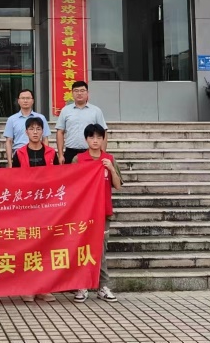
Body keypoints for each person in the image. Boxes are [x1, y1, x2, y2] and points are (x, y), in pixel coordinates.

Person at [11, 117, 58, 303]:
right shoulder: (19, 154)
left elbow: (59, 177)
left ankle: (44, 288)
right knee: (28, 247)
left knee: (46, 247)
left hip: (47, 207)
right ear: (26, 132)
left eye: (39, 128)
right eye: (32, 129)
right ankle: (28, 287)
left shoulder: (51, 153)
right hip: (26, 207)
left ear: (43, 131)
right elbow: (14, 179)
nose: (35, 132)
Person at [73, 124, 122, 304]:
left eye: (99, 137)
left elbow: (118, 185)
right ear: (86, 139)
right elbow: (72, 185)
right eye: (92, 137)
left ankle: (102, 286)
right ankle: (82, 285)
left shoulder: (109, 159)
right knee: (82, 248)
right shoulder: (78, 159)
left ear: (103, 140)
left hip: (103, 213)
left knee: (100, 250)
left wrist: (111, 169)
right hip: (83, 214)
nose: (95, 141)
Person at [55, 81, 108, 164]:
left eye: (82, 91)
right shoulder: (65, 110)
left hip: (90, 153)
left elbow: (103, 132)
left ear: (87, 93)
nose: (79, 93)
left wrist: (103, 153)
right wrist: (61, 154)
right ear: (72, 93)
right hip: (70, 152)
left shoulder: (96, 111)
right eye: (76, 91)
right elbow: (60, 132)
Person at [3, 89, 48, 164]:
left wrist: (46, 157)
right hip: (19, 155)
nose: (25, 101)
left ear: (33, 101)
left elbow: (45, 139)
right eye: (23, 98)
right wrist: (10, 162)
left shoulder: (41, 118)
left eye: (28, 98)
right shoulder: (12, 119)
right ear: (18, 101)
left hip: (38, 154)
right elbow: (8, 141)